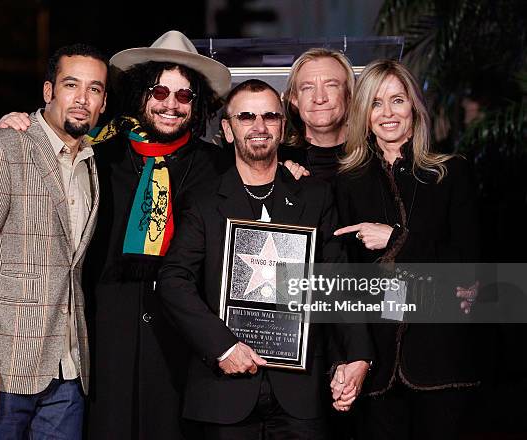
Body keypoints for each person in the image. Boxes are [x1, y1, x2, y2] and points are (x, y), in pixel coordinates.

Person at [0, 30, 233, 439]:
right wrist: (16, 123)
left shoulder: (220, 168)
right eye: (159, 91)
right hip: (105, 346)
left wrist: (293, 169)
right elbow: (47, 143)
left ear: (198, 104)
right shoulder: (98, 154)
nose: (170, 104)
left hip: (183, 349)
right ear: (141, 93)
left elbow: (266, 176)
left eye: (184, 95)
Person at [157, 79, 373, 438]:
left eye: (270, 116)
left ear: (282, 127)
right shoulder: (204, 200)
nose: (259, 126)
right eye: (246, 117)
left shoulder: (315, 197)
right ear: (227, 129)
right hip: (223, 394)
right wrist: (223, 347)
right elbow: (173, 280)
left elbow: (337, 282)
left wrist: (359, 357)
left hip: (300, 395)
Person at [0, 43, 108, 438]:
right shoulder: (2, 149)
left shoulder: (91, 162)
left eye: (95, 89)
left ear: (103, 102)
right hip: (1, 369)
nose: (82, 99)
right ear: (49, 91)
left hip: (69, 373)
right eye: (71, 85)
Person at [332, 59, 481, 439]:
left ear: (414, 107)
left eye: (397, 100)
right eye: (376, 104)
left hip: (443, 364)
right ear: (364, 116)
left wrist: (398, 239)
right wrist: (347, 359)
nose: (387, 113)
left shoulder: (452, 173)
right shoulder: (347, 183)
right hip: (377, 371)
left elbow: (472, 268)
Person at [280, 48, 355, 182]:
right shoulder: (279, 162)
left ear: (349, 96)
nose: (319, 98)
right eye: (308, 88)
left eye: (331, 85)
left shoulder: (376, 156)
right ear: (294, 99)